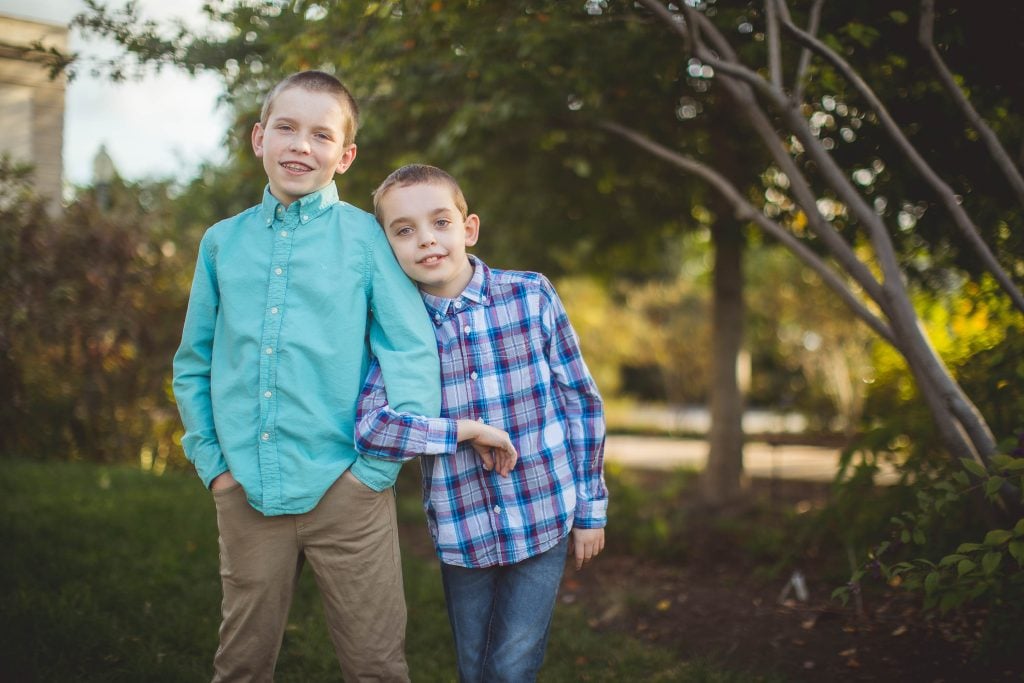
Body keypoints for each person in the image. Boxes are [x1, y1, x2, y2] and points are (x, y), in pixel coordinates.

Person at [172, 71, 441, 683]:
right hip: (247, 487)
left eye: (321, 135)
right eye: (286, 129)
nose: (300, 145)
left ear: (344, 156)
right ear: (258, 138)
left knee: (375, 663)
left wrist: (373, 472)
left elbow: (411, 352)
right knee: (240, 663)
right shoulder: (221, 243)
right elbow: (194, 361)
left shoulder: (368, 240)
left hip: (348, 490)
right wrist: (213, 464)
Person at [355, 164, 608, 682]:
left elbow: (581, 403)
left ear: (468, 229)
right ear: (387, 247)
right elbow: (372, 428)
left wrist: (591, 510)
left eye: (439, 222)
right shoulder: (399, 331)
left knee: (513, 663)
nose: (426, 240)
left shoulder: (530, 296)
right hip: (462, 528)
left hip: (544, 513)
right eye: (404, 230)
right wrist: (462, 431)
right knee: (475, 665)